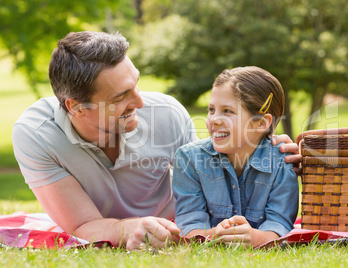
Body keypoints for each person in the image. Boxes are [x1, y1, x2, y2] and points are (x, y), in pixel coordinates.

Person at [12, 31, 300, 250]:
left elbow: (209, 169)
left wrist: (263, 144)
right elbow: (82, 225)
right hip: (118, 229)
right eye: (120, 96)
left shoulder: (166, 113)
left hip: (177, 226)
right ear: (76, 107)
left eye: (135, 84)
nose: (140, 101)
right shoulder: (37, 134)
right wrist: (127, 230)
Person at [173, 66, 299, 248]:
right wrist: (216, 234)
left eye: (227, 111)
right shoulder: (189, 159)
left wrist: (256, 238)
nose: (214, 120)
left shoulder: (282, 161)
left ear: (261, 123)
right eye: (211, 109)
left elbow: (280, 225)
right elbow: (189, 226)